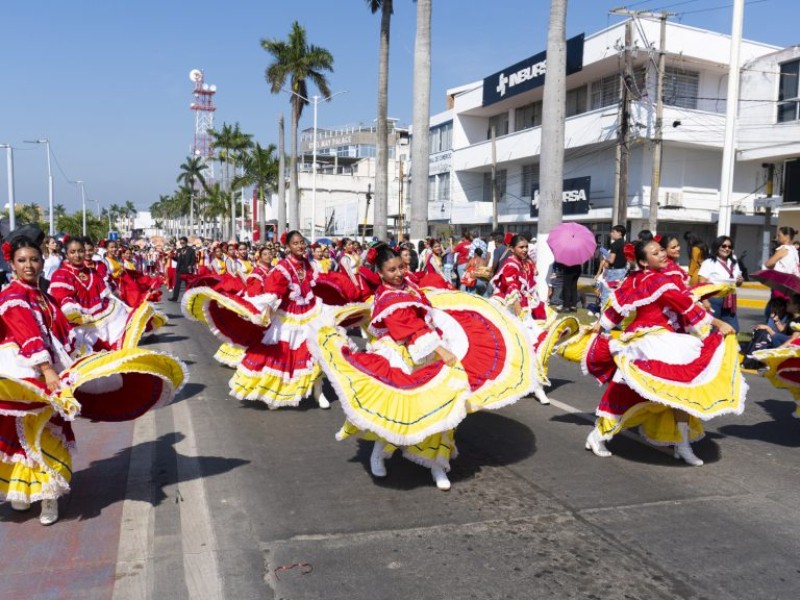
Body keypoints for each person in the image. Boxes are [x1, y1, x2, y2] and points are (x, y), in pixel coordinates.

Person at [311, 245, 537, 490]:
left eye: (400, 267)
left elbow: (424, 296)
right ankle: (379, 454)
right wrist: (442, 350)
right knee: (398, 411)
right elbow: (409, 330)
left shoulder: (406, 284)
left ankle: (436, 463)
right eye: (391, 270)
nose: (398, 273)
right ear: (381, 272)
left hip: (428, 347)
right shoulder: (388, 299)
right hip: (402, 354)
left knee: (444, 406)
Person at [581, 240, 745, 465]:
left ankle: (682, 444)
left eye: (661, 251)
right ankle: (598, 435)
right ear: (642, 261)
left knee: (679, 393)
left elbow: (615, 312)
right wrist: (717, 323)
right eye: (655, 253)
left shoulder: (645, 278)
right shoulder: (656, 281)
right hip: (651, 342)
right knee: (631, 393)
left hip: (666, 338)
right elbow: (684, 306)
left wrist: (602, 325)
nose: (662, 254)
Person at [489, 234, 565, 405]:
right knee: (513, 347)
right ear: (512, 248)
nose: (524, 250)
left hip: (528, 307)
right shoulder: (510, 264)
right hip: (512, 309)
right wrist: (521, 314)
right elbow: (512, 288)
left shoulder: (527, 262)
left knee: (538, 344)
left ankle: (536, 385)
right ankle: (517, 383)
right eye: (520, 247)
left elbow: (530, 283)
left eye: (525, 247)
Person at [697, 235, 743, 332]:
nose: (727, 249)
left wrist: (739, 281)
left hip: (730, 299)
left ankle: (725, 346)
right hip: (714, 299)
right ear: (717, 247)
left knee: (733, 329)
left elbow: (737, 282)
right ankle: (711, 346)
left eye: (729, 247)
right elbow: (701, 283)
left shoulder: (733, 262)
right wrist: (705, 301)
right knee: (712, 329)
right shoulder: (709, 262)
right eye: (724, 246)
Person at [597, 225, 628, 308]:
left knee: (606, 295)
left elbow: (611, 260)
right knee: (617, 295)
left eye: (613, 232)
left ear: (619, 233)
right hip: (622, 271)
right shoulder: (626, 243)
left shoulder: (615, 244)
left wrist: (605, 255)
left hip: (613, 272)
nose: (611, 234)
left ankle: (603, 316)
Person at [170, 236, 196, 301]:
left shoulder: (191, 250)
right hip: (180, 269)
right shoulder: (179, 250)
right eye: (181, 243)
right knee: (177, 284)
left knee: (188, 285)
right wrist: (172, 257)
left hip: (187, 270)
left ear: (186, 242)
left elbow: (194, 259)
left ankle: (190, 298)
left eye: (183, 242)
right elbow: (177, 259)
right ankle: (174, 297)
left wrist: (191, 265)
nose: (182, 244)